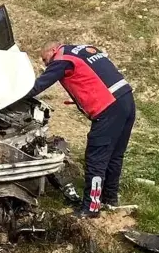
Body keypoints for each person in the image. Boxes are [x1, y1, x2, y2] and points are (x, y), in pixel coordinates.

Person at [29, 41, 135, 218]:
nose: (45, 63)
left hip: (108, 108)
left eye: (44, 58)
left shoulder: (62, 58)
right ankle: (109, 199)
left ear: (53, 50)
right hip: (126, 100)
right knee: (115, 155)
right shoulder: (82, 50)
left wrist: (11, 97)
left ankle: (91, 208)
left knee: (96, 158)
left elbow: (39, 85)